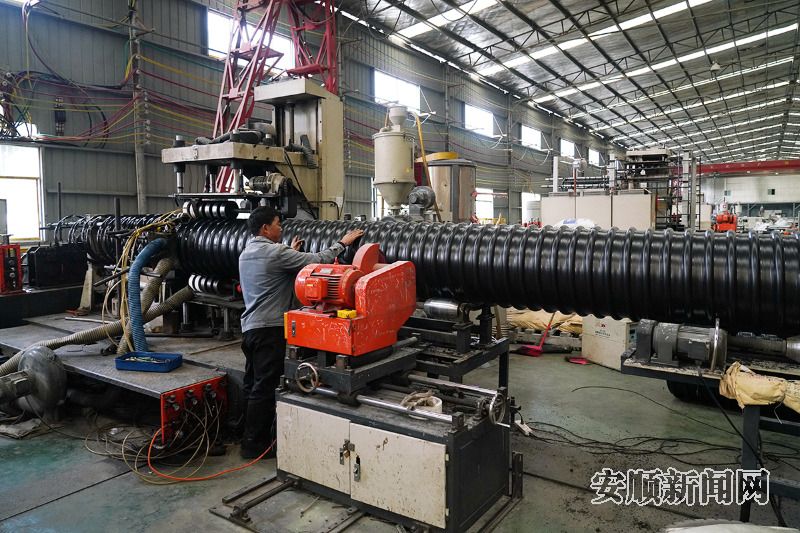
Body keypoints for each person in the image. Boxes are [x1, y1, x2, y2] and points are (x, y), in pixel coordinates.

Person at [238, 207, 363, 458]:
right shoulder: (276, 253)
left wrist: (290, 253)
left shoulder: (247, 253)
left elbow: (272, 272)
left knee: (251, 384)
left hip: (250, 329)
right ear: (265, 228)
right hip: (269, 330)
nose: (281, 228)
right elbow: (316, 261)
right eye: (277, 223)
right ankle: (254, 447)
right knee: (265, 388)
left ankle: (243, 435)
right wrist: (342, 244)